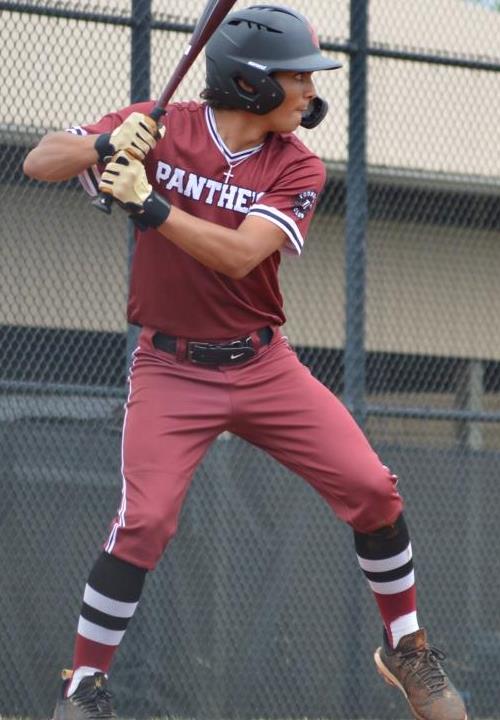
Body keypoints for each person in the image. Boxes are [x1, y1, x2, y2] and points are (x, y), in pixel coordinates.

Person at [23, 6, 466, 720]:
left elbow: (237, 256)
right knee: (146, 521)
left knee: (373, 489)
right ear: (252, 85)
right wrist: (106, 144)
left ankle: (407, 647)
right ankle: (83, 682)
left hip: (263, 366)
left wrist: (147, 201)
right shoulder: (164, 125)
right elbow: (39, 161)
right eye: (298, 78)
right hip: (170, 367)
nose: (312, 93)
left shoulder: (298, 163)